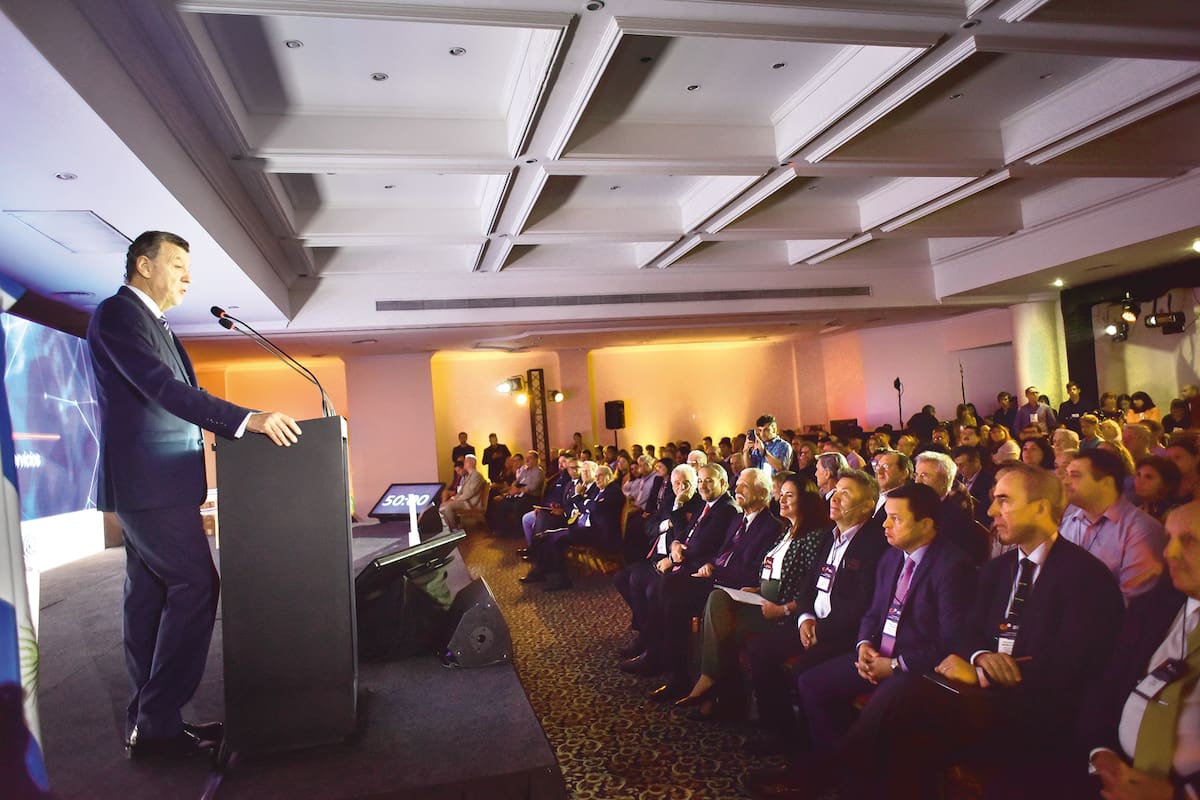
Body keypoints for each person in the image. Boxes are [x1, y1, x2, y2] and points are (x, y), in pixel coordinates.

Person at [88, 231, 302, 759]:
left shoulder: (153, 322)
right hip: (148, 483)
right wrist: (246, 420)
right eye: (178, 264)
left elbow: (184, 393)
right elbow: (163, 389)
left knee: (149, 597)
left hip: (156, 484)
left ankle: (152, 724)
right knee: (196, 584)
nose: (188, 276)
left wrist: (239, 419)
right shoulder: (118, 314)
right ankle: (156, 718)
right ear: (144, 266)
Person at [673, 475, 828, 718]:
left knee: (724, 629)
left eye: (789, 496)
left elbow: (810, 586)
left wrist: (784, 608)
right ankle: (716, 688)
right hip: (762, 598)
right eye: (781, 494)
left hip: (782, 611)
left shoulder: (812, 537)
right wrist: (756, 590)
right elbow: (768, 571)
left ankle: (717, 692)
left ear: (806, 501)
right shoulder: (787, 531)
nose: (782, 500)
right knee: (717, 600)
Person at [1077, 501, 1200, 800]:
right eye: (1169, 538)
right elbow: (1106, 686)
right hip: (1114, 775)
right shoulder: (1151, 609)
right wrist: (1101, 752)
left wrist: (1180, 795)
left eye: (1189, 541)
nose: (1169, 552)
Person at [1060, 449, 1166, 604]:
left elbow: (1133, 601)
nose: (1065, 482)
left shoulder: (1142, 530)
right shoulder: (1068, 523)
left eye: (1075, 475)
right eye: (1066, 474)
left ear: (1106, 483)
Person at [441, 454, 487, 532]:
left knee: (448, 507)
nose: (464, 463)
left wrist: (456, 499)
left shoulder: (476, 476)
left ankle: (454, 529)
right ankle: (450, 528)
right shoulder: (469, 476)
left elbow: (469, 493)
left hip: (470, 503)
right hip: (464, 501)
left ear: (472, 462)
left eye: (466, 461)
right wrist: (454, 498)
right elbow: (461, 491)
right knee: (443, 506)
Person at [744, 414, 793, 480]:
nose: (762, 434)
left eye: (766, 430)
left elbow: (780, 468)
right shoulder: (760, 444)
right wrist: (746, 451)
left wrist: (764, 452)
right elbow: (749, 467)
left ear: (774, 429)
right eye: (760, 430)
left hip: (775, 484)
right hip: (759, 483)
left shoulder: (783, 445)